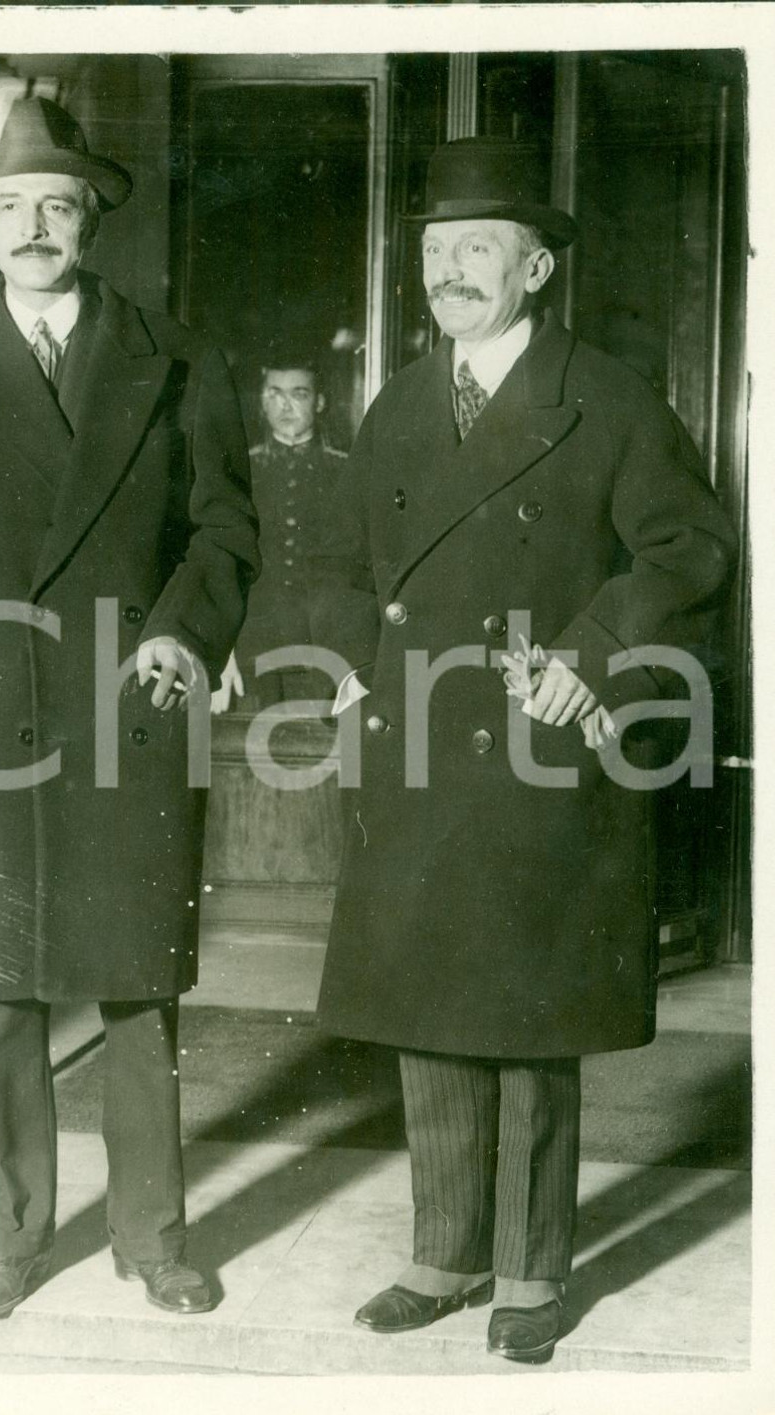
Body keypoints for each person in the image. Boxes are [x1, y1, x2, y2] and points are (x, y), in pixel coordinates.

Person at [309, 137, 737, 1362]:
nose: (449, 271)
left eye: (477, 249)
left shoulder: (604, 398)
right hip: (414, 742)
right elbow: (346, 565)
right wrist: (346, 666)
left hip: (540, 742)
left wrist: (589, 653)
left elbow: (688, 553)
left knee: (529, 1021)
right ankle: (441, 1254)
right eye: (436, 251)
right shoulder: (395, 401)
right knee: (427, 1011)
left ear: (536, 269)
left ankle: (530, 1269)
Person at [0, 98, 258, 1320]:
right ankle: (14, 1232)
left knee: (138, 984)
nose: (33, 225)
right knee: (0, 982)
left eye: (57, 205)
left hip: (128, 701)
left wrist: (186, 634)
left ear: (91, 224)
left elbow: (225, 528)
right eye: (9, 205)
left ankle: (154, 1233)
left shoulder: (177, 356)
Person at [212, 354, 347, 713]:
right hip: (250, 651)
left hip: (329, 655)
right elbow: (219, 566)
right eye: (274, 393)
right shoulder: (239, 472)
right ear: (262, 400)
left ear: (319, 402)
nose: (285, 405)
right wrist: (219, 651)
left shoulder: (347, 472)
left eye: (299, 393)